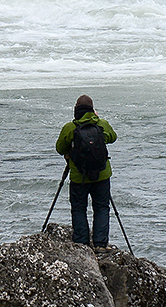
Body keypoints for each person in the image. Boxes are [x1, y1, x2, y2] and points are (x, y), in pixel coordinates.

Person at [55, 94, 117, 247]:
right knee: (102, 208)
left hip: (79, 177)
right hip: (102, 174)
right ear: (92, 109)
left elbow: (59, 148)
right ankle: (100, 244)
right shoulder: (102, 124)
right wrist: (97, 120)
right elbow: (113, 137)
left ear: (76, 109)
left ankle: (81, 243)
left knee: (78, 209)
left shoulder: (70, 128)